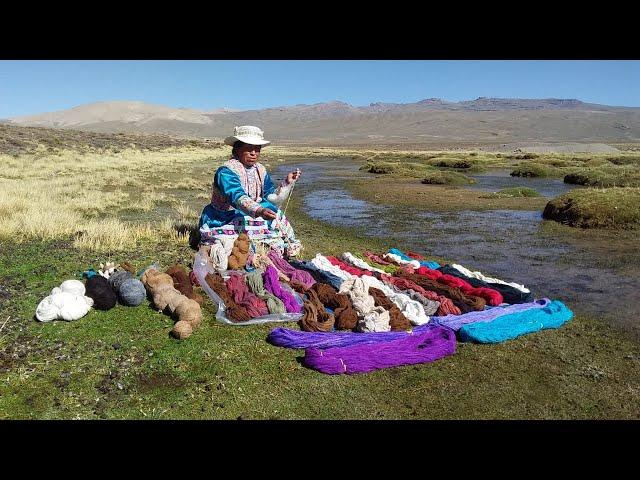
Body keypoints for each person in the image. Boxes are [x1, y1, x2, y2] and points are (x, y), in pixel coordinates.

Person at [199, 125, 302, 230]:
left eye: (257, 149)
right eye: (248, 149)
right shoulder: (226, 172)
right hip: (224, 216)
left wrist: (287, 183)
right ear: (237, 149)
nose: (253, 153)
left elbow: (269, 195)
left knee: (278, 219)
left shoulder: (260, 170)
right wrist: (259, 210)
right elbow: (236, 195)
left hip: (255, 213)